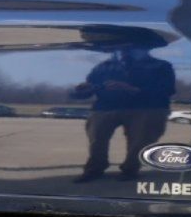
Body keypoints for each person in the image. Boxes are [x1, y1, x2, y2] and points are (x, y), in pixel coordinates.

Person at [73, 43, 176, 183]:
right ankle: (95, 169)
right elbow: (87, 89)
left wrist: (134, 89)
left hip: (146, 108)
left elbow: (168, 90)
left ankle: (130, 170)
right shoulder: (103, 66)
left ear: (146, 49)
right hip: (105, 107)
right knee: (96, 139)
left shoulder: (161, 66)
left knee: (141, 140)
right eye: (121, 48)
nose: (124, 51)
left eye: (131, 47)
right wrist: (82, 90)